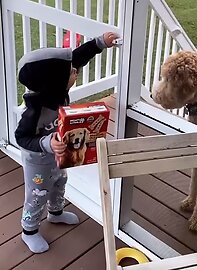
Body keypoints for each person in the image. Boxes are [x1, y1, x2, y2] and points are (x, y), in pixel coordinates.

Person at [15, 31, 119, 253]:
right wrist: (46, 143)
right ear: (54, 82)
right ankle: (29, 230)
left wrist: (100, 42)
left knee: (60, 182)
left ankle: (55, 213)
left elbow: (77, 57)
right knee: (37, 195)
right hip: (38, 162)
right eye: (71, 72)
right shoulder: (35, 111)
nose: (75, 71)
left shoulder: (55, 89)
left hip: (59, 156)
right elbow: (21, 138)